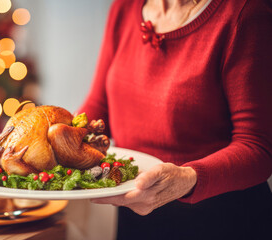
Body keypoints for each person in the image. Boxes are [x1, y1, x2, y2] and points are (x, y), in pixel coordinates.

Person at [77, 0, 272, 239]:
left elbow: (258, 148)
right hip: (137, 217)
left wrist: (188, 178)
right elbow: (99, 107)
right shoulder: (124, 7)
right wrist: (56, 135)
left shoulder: (245, 13)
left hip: (220, 220)